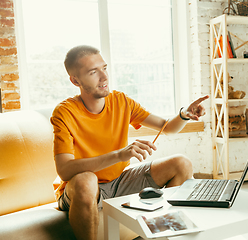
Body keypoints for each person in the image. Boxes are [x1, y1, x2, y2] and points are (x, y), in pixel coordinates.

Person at [50, 45, 209, 240]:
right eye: (93, 72)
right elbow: (65, 170)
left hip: (118, 182)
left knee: (182, 163)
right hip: (79, 189)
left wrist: (184, 114)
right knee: (86, 180)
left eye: (104, 68)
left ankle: (160, 235)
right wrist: (119, 155)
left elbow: (167, 127)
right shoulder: (64, 112)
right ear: (75, 80)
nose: (104, 77)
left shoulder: (121, 101)